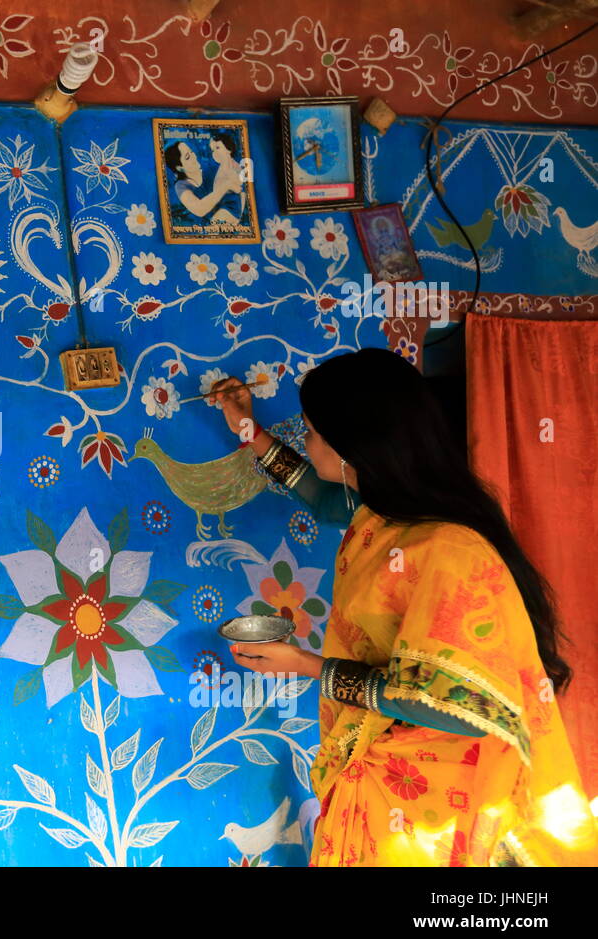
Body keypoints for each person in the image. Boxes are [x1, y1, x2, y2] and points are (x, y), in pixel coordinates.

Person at [210, 350, 597, 865]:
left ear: (352, 448)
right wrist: (245, 428)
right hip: (382, 780)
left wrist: (308, 667)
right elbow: (321, 498)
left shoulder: (445, 550)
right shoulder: (382, 518)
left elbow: (463, 707)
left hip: (432, 810)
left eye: (312, 431)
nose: (306, 441)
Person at [162, 139, 241, 227]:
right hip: (209, 226)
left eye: (191, 152)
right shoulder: (181, 185)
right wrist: (226, 186)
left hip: (230, 212)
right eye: (188, 157)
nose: (194, 157)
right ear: (179, 168)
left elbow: (238, 181)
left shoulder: (209, 166)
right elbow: (199, 209)